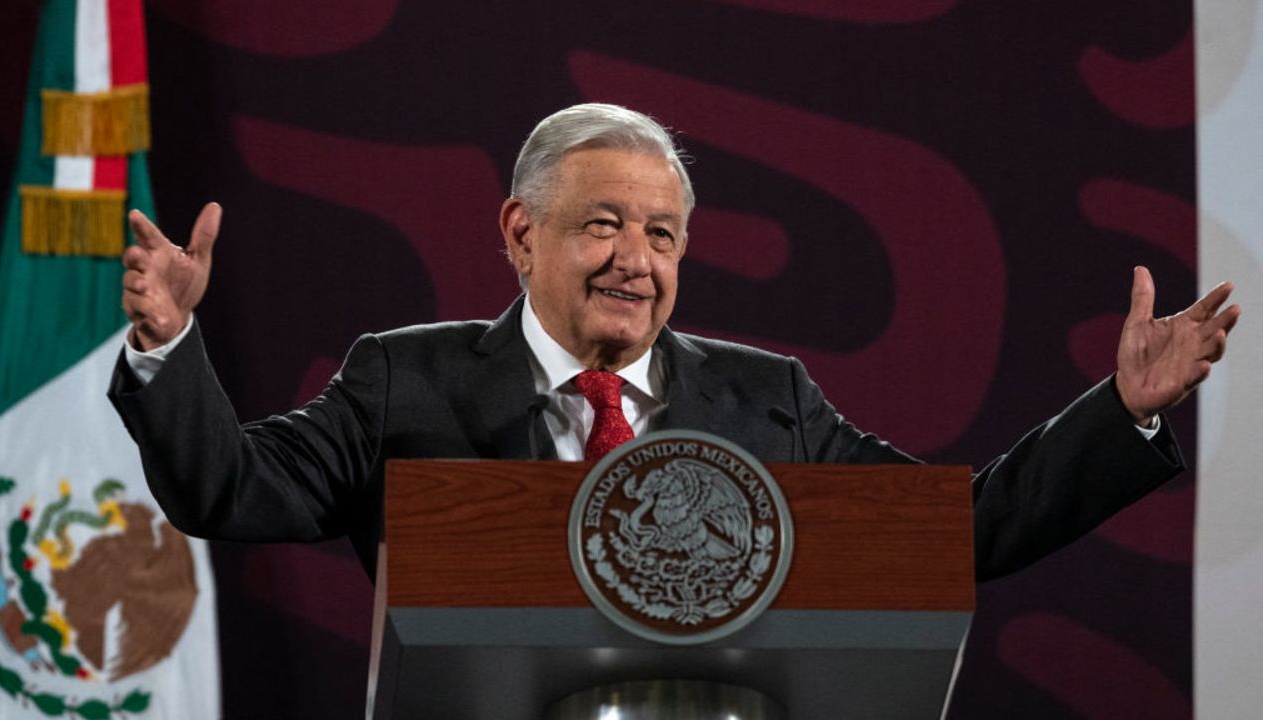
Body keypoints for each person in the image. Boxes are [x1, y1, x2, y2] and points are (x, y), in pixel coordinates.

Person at [109, 103, 1240, 582]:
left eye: (661, 233)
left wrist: (1120, 411)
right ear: (519, 233)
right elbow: (232, 489)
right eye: (601, 225)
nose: (634, 260)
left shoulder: (771, 404)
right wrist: (169, 345)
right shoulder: (405, 377)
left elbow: (957, 532)